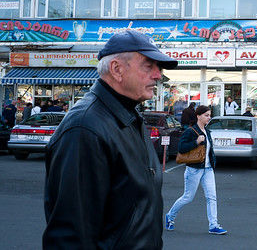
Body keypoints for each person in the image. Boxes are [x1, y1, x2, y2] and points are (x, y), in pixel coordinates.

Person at [43, 30, 178, 249]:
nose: (158, 75)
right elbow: (70, 237)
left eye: (158, 67)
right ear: (116, 69)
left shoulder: (129, 118)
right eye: (148, 65)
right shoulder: (85, 128)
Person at [166, 105, 227, 235]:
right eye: (206, 115)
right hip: (194, 169)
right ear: (198, 116)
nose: (209, 118)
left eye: (210, 115)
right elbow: (181, 148)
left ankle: (213, 225)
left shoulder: (207, 131)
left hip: (208, 169)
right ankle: (170, 216)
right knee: (188, 197)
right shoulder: (190, 131)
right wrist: (196, 142)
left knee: (212, 197)